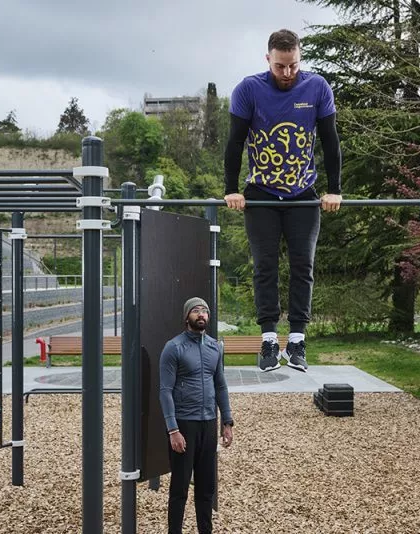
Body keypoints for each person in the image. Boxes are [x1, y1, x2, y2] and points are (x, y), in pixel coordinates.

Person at [224, 28, 342, 373]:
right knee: (265, 266)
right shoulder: (249, 89)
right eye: (280, 67)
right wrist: (231, 189)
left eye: (292, 66)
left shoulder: (317, 87)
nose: (287, 73)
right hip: (260, 192)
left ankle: (298, 341)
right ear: (268, 60)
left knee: (303, 265)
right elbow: (234, 143)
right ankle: (269, 340)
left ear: (299, 59)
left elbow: (331, 142)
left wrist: (334, 189)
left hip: (302, 194)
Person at [159, 297, 234, 534]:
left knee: (206, 487)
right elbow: (165, 391)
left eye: (205, 311)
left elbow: (220, 386)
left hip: (208, 424)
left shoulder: (214, 346)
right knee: (180, 487)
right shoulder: (174, 347)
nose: (201, 314)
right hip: (183, 424)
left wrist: (227, 421)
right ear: (186, 316)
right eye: (196, 310)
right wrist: (173, 430)